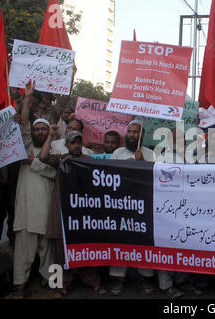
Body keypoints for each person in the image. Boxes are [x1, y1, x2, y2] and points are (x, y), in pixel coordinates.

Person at [109, 120, 183, 298]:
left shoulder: (151, 154)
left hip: (144, 206)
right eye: (130, 132)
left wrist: (142, 163)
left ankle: (146, 278)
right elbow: (108, 176)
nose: (132, 135)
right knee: (122, 242)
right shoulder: (117, 153)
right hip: (122, 205)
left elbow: (157, 178)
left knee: (144, 242)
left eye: (136, 132)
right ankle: (119, 279)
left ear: (142, 135)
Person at [39, 126, 107, 298]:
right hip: (62, 210)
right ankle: (61, 285)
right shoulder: (61, 159)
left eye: (79, 142)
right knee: (59, 251)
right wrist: (51, 136)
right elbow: (43, 157)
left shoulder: (88, 160)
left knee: (85, 247)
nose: (76, 145)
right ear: (67, 144)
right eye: (73, 142)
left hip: (82, 212)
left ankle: (93, 281)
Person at [11, 81, 56, 299]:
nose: (39, 131)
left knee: (49, 250)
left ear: (48, 132)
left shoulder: (55, 149)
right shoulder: (26, 147)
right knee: (24, 251)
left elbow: (55, 173)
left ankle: (53, 282)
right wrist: (27, 98)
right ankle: (20, 284)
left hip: (48, 208)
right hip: (27, 208)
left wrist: (36, 164)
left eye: (43, 129)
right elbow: (24, 126)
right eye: (37, 129)